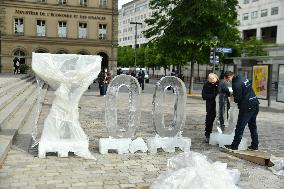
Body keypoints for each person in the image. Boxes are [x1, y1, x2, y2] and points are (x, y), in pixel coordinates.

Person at [223, 71, 259, 150]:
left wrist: (232, 96)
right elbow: (244, 91)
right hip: (255, 103)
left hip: (247, 106)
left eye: (226, 79)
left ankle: (234, 146)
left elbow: (237, 99)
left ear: (227, 77)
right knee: (252, 126)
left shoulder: (235, 83)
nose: (227, 81)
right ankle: (255, 145)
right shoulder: (242, 78)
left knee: (240, 127)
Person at [202, 73, 219, 143]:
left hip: (220, 107)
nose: (211, 80)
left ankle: (223, 135)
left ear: (216, 78)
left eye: (213, 78)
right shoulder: (206, 85)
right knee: (209, 122)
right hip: (210, 107)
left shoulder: (221, 84)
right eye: (209, 78)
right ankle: (208, 135)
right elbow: (204, 96)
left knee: (221, 122)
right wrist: (214, 96)